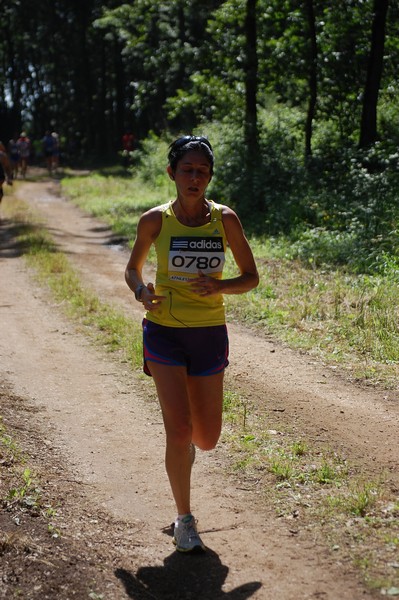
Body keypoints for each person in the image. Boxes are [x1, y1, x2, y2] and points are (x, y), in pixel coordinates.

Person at [125, 135, 259, 553]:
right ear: (172, 173)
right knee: (178, 430)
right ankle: (184, 518)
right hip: (162, 330)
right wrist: (141, 292)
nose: (195, 177)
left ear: (210, 177)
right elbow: (132, 269)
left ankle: (187, 454)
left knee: (207, 437)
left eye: (202, 171)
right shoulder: (155, 221)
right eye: (188, 170)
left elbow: (251, 277)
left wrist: (219, 286)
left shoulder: (226, 220)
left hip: (208, 333)